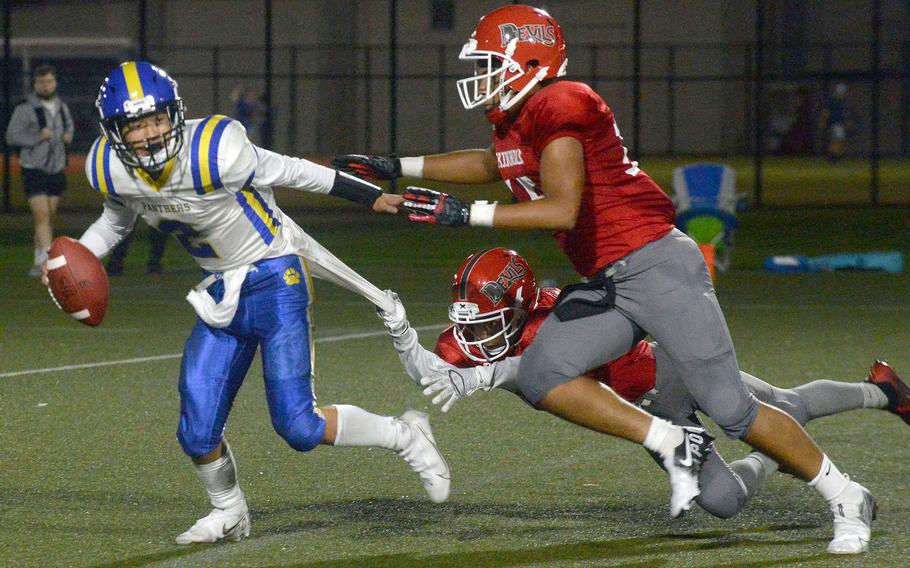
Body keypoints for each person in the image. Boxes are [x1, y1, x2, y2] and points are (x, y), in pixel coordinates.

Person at [336, 5, 875, 554]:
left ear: (530, 58)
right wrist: (394, 163)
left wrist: (462, 214)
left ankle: (847, 495)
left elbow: (562, 208)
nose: (483, 76)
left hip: (656, 264)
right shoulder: (524, 116)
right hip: (611, 279)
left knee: (732, 407)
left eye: (492, 62)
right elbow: (490, 165)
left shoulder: (560, 101)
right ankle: (666, 439)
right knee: (546, 371)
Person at [43, 61, 450, 544]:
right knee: (196, 430)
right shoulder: (109, 168)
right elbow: (116, 219)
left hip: (278, 276)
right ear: (115, 133)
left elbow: (294, 169)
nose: (150, 135)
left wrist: (371, 197)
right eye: (136, 125)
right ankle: (230, 511)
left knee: (299, 427)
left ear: (174, 115)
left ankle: (405, 433)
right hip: (220, 290)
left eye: (156, 119)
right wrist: (77, 262)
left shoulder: (218, 149)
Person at [380, 247, 909, 521]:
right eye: (469, 322)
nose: (473, 335)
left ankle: (882, 390)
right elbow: (437, 372)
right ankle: (775, 454)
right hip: (652, 418)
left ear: (520, 307)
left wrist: (489, 374)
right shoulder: (472, 341)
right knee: (722, 501)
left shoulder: (561, 312)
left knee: (781, 404)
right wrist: (404, 336)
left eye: (485, 320)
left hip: (671, 371)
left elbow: (532, 367)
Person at [5, 64, 74, 277]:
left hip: (56, 167)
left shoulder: (62, 107)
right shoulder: (24, 109)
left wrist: (68, 136)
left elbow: (69, 127)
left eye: (50, 81)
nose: (46, 86)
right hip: (33, 168)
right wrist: (37, 138)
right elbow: (11, 136)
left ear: (55, 83)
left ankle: (38, 259)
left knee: (48, 217)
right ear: (35, 84)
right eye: (42, 82)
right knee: (42, 215)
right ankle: (48, 263)